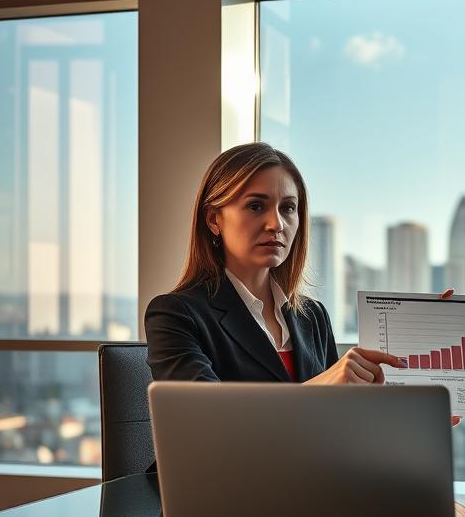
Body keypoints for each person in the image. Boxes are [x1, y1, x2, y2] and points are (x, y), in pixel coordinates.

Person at [145, 142, 404, 386]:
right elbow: (209, 421)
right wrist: (322, 388)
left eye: (288, 208)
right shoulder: (175, 316)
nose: (277, 224)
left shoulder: (313, 316)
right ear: (214, 219)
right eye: (256, 206)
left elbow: (336, 422)